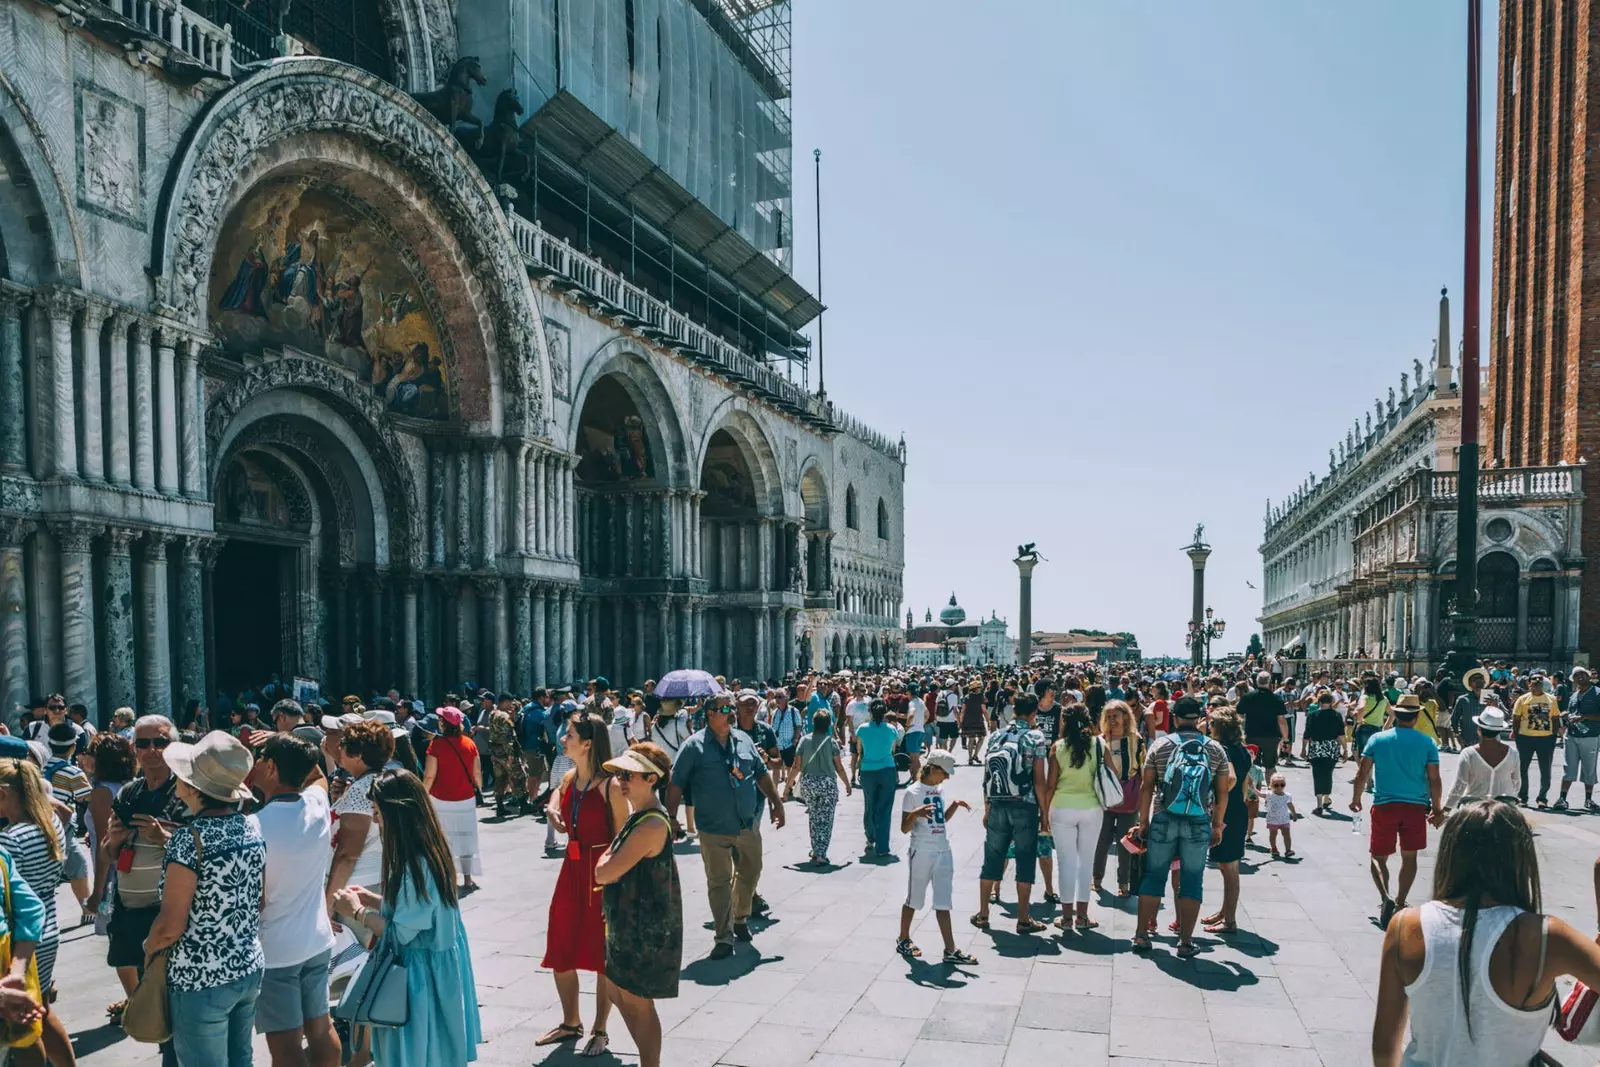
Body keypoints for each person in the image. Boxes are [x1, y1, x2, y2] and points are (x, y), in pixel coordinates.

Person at [1371, 800, 1600, 1066]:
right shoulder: (1547, 936)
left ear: (1449, 854)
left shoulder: (1404, 926)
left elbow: (1384, 1047)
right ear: (1522, 859)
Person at [330, 770, 482, 1067]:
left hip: (418, 978)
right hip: (434, 971)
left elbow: (401, 932)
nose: (375, 820)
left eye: (377, 812)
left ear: (396, 812)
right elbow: (417, 909)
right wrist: (375, 899)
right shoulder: (428, 849)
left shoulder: (414, 863)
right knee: (435, 1054)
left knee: (415, 1054)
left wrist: (357, 911)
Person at [144, 732, 266, 1067]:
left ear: (190, 786)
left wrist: (149, 949)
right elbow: (260, 902)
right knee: (241, 1060)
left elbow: (171, 926)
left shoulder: (188, 840)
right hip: (247, 965)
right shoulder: (251, 828)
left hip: (201, 977)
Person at [667, 693, 785, 959]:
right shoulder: (693, 746)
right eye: (725, 708)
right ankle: (724, 936)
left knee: (751, 871)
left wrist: (776, 802)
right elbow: (676, 784)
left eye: (733, 707)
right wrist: (671, 817)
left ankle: (740, 916)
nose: (732, 712)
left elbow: (761, 774)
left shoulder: (744, 740)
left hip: (746, 822)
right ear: (710, 713)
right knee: (718, 882)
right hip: (712, 826)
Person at [538, 712, 628, 1055]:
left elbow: (623, 836)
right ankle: (570, 1021)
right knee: (560, 946)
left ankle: (600, 1029)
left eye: (570, 734)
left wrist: (618, 884)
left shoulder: (611, 785)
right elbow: (556, 798)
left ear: (588, 743)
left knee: (601, 953)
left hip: (601, 873)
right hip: (571, 869)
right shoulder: (570, 778)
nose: (564, 738)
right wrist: (552, 810)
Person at [101, 714, 190, 1051]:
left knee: (172, 1001)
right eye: (143, 743)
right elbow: (111, 853)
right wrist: (116, 842)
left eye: (160, 742)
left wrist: (163, 836)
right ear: (133, 748)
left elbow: (203, 846)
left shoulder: (185, 791)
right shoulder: (129, 791)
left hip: (167, 912)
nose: (152, 750)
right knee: (150, 999)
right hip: (130, 911)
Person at [252, 733, 340, 1067]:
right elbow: (317, 774)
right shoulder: (317, 806)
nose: (255, 762)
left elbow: (256, 900)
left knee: (286, 1042)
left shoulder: (254, 826)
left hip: (277, 950)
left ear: (271, 766)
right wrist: (286, 740)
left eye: (260, 757)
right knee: (320, 1028)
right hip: (316, 939)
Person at [593, 743, 682, 1067]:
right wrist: (608, 862)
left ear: (651, 778)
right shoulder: (638, 818)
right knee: (617, 992)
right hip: (628, 922)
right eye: (620, 775)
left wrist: (607, 863)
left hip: (645, 927)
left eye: (629, 775)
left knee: (638, 1002)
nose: (621, 781)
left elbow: (604, 870)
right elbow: (608, 862)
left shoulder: (652, 824)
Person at [1132, 696, 1232, 957]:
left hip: (1164, 817)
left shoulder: (1160, 746)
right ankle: (1186, 942)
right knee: (1191, 879)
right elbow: (1222, 793)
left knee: (1154, 875)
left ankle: (1142, 935)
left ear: (1174, 718)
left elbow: (1146, 787)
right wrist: (1217, 825)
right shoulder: (1215, 749)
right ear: (1199, 719)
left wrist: (1143, 822)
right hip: (1199, 819)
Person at [0, 759, 74, 1067]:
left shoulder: (10, 839)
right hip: (48, 923)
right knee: (39, 1008)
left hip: (21, 938)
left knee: (27, 1023)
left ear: (4, 793)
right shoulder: (50, 822)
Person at [1351, 693, 1444, 929]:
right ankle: (1401, 901)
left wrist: (1356, 798)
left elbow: (1362, 773)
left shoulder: (1377, 740)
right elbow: (1434, 778)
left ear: (1395, 714)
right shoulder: (1428, 743)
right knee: (1409, 856)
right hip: (1415, 807)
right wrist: (1437, 808)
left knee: (1378, 856)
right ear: (1416, 715)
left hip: (1384, 804)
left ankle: (1385, 898)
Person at [972, 692, 1049, 935]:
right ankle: (1024, 918)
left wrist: (986, 807)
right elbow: (1039, 779)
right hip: (1024, 805)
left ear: (1014, 711)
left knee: (992, 857)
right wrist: (1044, 812)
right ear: (1034, 713)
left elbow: (987, 776)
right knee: (1025, 859)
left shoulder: (996, 736)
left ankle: (983, 914)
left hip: (997, 803)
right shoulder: (1035, 737)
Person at [896, 751, 978, 964]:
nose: (947, 777)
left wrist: (954, 805)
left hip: (943, 850)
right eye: (944, 773)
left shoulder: (939, 789)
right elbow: (904, 828)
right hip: (921, 850)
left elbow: (940, 821)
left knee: (944, 900)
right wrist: (916, 813)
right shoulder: (912, 792)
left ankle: (950, 949)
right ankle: (903, 938)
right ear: (932, 768)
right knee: (914, 898)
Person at [326, 718, 393, 925]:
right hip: (372, 881)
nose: (339, 748)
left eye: (344, 745)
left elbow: (348, 854)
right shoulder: (378, 782)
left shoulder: (360, 790)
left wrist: (327, 907)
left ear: (358, 755)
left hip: (355, 887)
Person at [1042, 703, 1102, 931]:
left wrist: (1044, 814)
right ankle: (1083, 917)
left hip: (1062, 808)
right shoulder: (1099, 744)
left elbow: (1050, 785)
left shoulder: (1057, 747)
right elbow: (1112, 774)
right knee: (1086, 862)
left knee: (1065, 863)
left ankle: (1067, 918)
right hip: (1092, 808)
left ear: (1064, 722)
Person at [1200, 707, 1251, 935]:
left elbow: (1229, 779)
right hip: (1238, 810)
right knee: (1228, 867)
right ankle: (1225, 911)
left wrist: (1219, 806)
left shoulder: (1222, 751)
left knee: (1229, 868)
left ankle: (1229, 920)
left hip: (1227, 813)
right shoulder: (1241, 749)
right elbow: (1244, 783)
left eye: (1211, 724)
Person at [421, 707, 482, 893]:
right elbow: (477, 774)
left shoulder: (436, 745)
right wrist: (477, 788)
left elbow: (430, 776)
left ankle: (447, 877)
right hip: (465, 798)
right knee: (465, 837)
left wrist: (423, 794)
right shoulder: (470, 743)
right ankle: (468, 878)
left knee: (443, 838)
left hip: (441, 799)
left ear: (443, 723)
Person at [1091, 700, 1143, 897]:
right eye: (1109, 716)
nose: (1112, 720)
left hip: (1129, 797)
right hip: (1104, 797)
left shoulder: (1135, 739)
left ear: (1125, 717)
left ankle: (1124, 883)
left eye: (1116, 716)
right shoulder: (1099, 741)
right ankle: (1096, 879)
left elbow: (1143, 767)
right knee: (1102, 840)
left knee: (1126, 842)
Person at [790, 710, 850, 865]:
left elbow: (796, 766)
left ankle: (816, 849)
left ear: (813, 723)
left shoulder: (804, 741)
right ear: (829, 724)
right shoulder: (831, 742)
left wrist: (787, 786)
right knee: (826, 819)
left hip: (809, 783)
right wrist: (847, 783)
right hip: (827, 784)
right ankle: (821, 853)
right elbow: (839, 767)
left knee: (814, 817)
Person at [1443, 707, 1520, 810]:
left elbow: (1460, 785)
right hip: (1502, 808)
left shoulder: (1468, 754)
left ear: (1479, 729)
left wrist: (1445, 810)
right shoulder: (1512, 753)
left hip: (1474, 808)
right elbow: (1516, 783)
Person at [857, 699, 902, 858]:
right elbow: (893, 749)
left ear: (870, 711)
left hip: (868, 769)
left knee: (870, 804)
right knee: (885, 808)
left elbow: (860, 750)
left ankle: (870, 836)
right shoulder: (891, 729)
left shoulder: (862, 729)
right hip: (887, 769)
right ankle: (883, 847)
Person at [1510, 673, 1560, 808]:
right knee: (1522, 768)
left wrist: (1554, 736)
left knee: (1545, 769)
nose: (1537, 681)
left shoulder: (1551, 699)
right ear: (1529, 683)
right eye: (1534, 679)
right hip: (1525, 738)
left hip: (1546, 739)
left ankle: (1542, 797)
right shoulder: (1522, 699)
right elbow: (1516, 718)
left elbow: (1555, 718)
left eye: (1540, 679)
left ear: (1543, 683)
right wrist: (1517, 735)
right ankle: (1523, 797)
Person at [1556, 666, 1600, 811]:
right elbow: (1571, 711)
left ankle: (1588, 800)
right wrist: (1565, 714)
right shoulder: (1574, 694)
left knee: (1589, 768)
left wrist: (1585, 717)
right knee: (1568, 767)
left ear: (1589, 677)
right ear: (1573, 679)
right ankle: (1562, 799)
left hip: (1590, 736)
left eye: (1582, 674)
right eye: (1576, 675)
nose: (1580, 677)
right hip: (1572, 735)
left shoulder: (1597, 693)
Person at [1300, 690, 1344, 813]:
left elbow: (1307, 734)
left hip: (1316, 747)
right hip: (1331, 747)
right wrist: (1345, 749)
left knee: (1317, 773)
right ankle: (1326, 798)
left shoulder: (1312, 715)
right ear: (1332, 702)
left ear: (1319, 702)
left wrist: (1303, 749)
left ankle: (1319, 803)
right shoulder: (1336, 715)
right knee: (1328, 773)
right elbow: (1341, 734)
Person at [1239, 671, 1288, 773]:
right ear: (1269, 682)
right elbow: (1282, 721)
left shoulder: (1247, 697)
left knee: (1252, 766)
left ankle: (1255, 788)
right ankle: (1271, 787)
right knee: (1270, 766)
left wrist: (1239, 734)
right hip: (1271, 737)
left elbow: (1239, 716)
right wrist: (1285, 738)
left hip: (1252, 735)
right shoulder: (1276, 699)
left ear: (1256, 681)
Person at [1452, 667, 1488, 750]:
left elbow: (1506, 715)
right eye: (1475, 679)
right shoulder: (1463, 700)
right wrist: (1458, 736)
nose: (1478, 681)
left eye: (1481, 678)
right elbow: (1454, 719)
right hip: (1468, 741)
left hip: (1489, 742)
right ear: (1470, 684)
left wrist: (1495, 706)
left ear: (1485, 681)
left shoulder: (1494, 698)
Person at [1264, 773, 1296, 859]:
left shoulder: (1287, 795)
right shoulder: (1269, 794)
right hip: (1273, 819)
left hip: (1284, 819)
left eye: (1282, 785)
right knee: (1273, 835)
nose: (1279, 787)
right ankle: (1273, 848)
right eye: (1276, 785)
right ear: (1271, 785)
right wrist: (1252, 788)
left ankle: (1288, 850)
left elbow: (1290, 805)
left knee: (1286, 834)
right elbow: (1260, 794)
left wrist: (1294, 814)